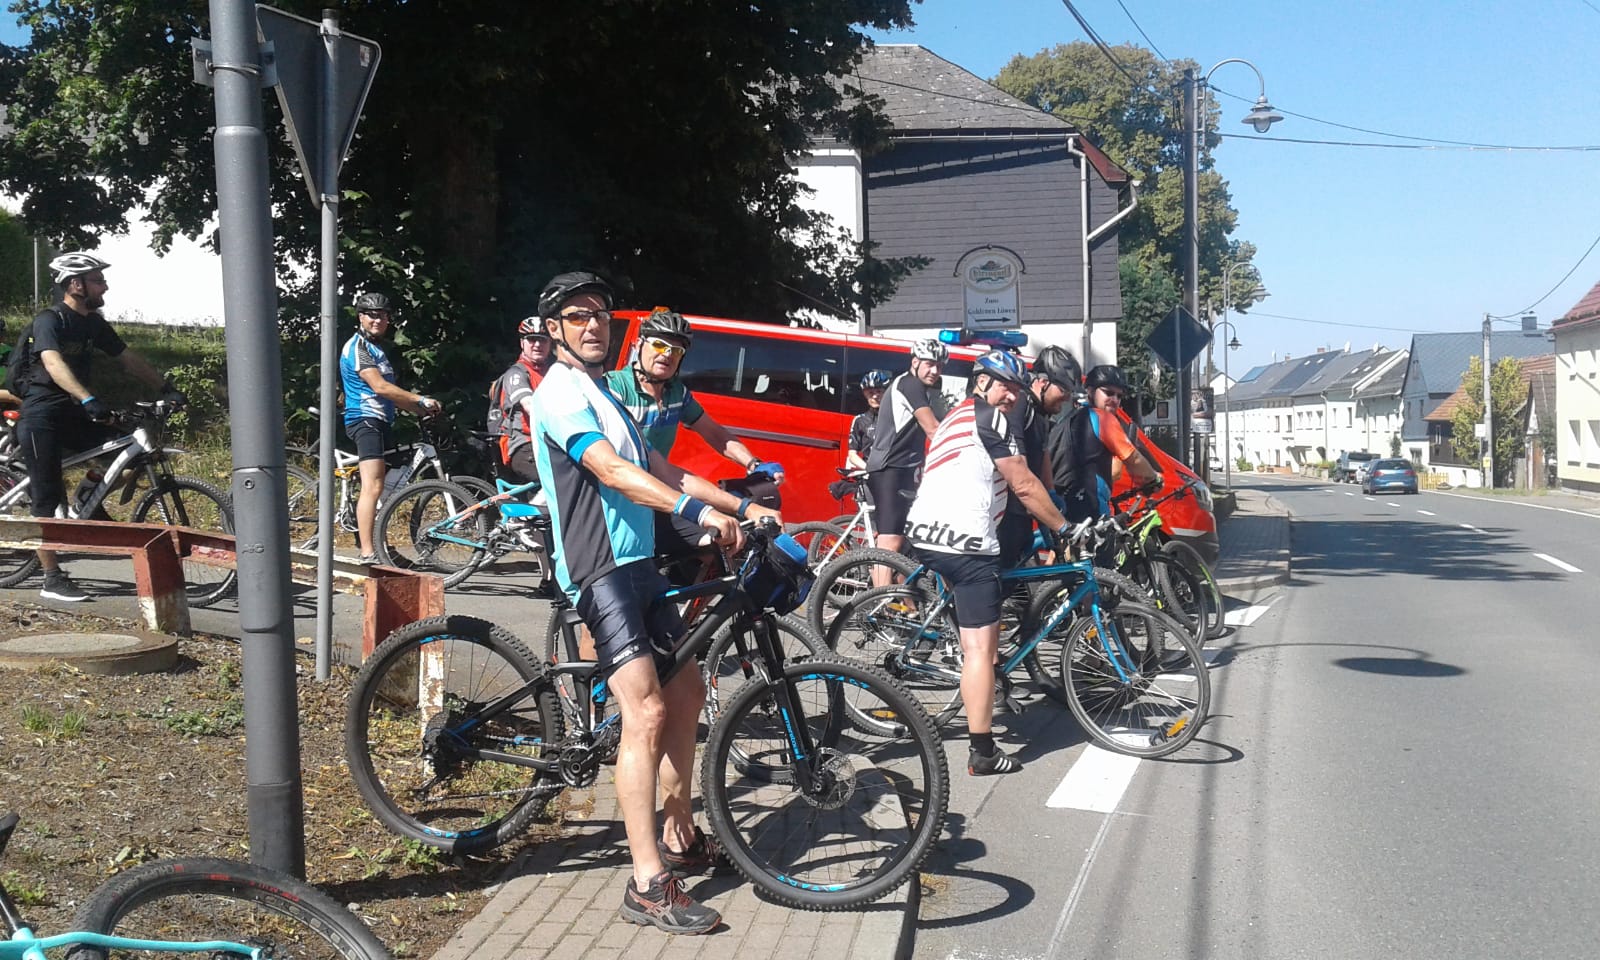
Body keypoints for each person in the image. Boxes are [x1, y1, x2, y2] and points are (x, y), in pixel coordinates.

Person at [529, 271, 780, 935]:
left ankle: (678, 832)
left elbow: (665, 470)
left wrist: (740, 507)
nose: (593, 325)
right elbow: (612, 471)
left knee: (687, 691)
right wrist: (696, 514)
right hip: (598, 568)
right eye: (577, 316)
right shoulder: (559, 393)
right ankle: (646, 883)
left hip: (637, 563)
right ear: (554, 329)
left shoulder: (605, 394)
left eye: (600, 315)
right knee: (644, 712)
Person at [903, 350, 1072, 776]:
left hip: (926, 534)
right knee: (980, 649)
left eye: (1017, 390)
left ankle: (983, 672)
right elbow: (1024, 484)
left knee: (980, 623)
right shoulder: (991, 418)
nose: (1012, 396)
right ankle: (983, 751)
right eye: (1005, 387)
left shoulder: (953, 417)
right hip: (966, 544)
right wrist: (1065, 528)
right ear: (981, 382)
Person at [13, 252, 166, 602]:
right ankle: (51, 578)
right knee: (46, 497)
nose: (105, 286)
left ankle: (87, 501)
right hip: (42, 414)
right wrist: (87, 398)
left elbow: (127, 358)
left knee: (124, 453)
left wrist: (165, 387)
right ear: (75, 285)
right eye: (98, 280)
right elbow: (53, 363)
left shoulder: (93, 323)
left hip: (74, 412)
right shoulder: (50, 320)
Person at [603, 307, 782, 482]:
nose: (667, 354)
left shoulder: (676, 392)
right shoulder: (615, 387)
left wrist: (753, 463)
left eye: (676, 350)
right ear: (639, 344)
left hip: (654, 489)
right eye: (659, 345)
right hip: (616, 490)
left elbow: (714, 433)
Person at [338, 292, 442, 563]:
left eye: (383, 315)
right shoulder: (358, 347)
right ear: (361, 317)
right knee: (373, 486)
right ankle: (367, 552)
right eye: (372, 315)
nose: (378, 320)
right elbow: (380, 387)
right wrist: (420, 399)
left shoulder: (377, 350)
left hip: (381, 421)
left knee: (386, 485)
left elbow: (391, 396)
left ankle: (380, 544)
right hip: (364, 420)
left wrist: (420, 410)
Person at [864, 339, 948, 582]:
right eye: (930, 364)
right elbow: (933, 429)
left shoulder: (919, 387)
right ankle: (880, 600)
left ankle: (904, 597)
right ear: (915, 362)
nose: (935, 370)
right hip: (890, 468)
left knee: (905, 540)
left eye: (940, 366)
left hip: (904, 469)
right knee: (890, 540)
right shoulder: (910, 385)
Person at [995, 346, 1082, 568]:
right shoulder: (1020, 405)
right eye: (1063, 389)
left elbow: (1042, 454)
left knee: (1018, 576)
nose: (1067, 397)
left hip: (1022, 511)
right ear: (1043, 383)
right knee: (1001, 576)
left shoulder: (1041, 413)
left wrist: (1050, 493)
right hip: (1005, 511)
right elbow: (1018, 463)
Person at [1048, 363, 1162, 527]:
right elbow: (1134, 459)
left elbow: (1114, 471)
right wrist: (1153, 477)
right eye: (1108, 393)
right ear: (1090, 391)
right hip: (1091, 508)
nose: (1114, 400)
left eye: (1119, 396)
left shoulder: (1068, 419)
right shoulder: (1103, 419)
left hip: (1062, 506)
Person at [487, 317, 553, 484]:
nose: (537, 344)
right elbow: (529, 405)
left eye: (543, 340)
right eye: (532, 339)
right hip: (523, 445)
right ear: (522, 343)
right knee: (559, 481)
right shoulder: (516, 374)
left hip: (547, 443)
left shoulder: (552, 372)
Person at [846, 369, 891, 471]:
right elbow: (852, 455)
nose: (875, 396)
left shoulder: (897, 417)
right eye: (870, 392)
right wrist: (869, 470)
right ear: (864, 394)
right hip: (870, 472)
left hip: (891, 472)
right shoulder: (860, 420)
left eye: (879, 391)